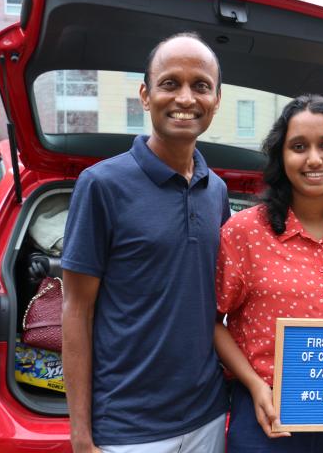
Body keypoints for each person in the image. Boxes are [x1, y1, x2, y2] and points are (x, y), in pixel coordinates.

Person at [62, 32, 229, 453]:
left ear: (217, 99)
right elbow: (76, 311)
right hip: (128, 428)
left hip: (207, 415)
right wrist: (81, 434)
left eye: (201, 85)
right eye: (170, 83)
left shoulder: (218, 191)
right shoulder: (101, 185)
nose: (186, 98)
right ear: (145, 95)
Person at [214, 94, 323, 453]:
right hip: (266, 414)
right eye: (298, 146)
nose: (314, 159)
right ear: (281, 156)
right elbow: (213, 321)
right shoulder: (243, 232)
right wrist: (255, 386)